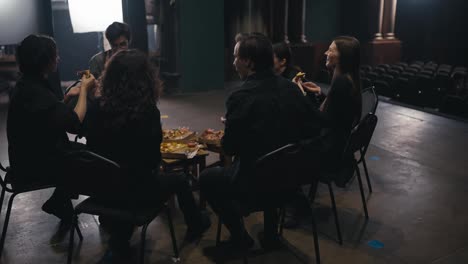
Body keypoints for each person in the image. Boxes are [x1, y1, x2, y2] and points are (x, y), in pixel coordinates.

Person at [84, 49, 210, 261]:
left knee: (125, 178)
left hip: (101, 191)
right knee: (179, 179)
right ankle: (196, 225)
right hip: (137, 193)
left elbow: (93, 149)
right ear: (145, 79)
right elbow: (152, 160)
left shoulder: (95, 108)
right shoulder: (147, 112)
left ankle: (119, 243)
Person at [199, 33, 319, 253]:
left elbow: (230, 147)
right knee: (273, 160)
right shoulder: (292, 89)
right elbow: (313, 129)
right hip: (291, 183)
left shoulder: (241, 97)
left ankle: (240, 238)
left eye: (236, 57)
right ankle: (271, 236)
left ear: (248, 61)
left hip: (253, 186)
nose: (233, 61)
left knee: (206, 178)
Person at [7, 34, 95, 224]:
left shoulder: (27, 84)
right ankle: (61, 201)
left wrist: (66, 97)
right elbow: (73, 123)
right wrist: (85, 91)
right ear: (44, 61)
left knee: (82, 152)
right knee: (91, 158)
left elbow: (47, 116)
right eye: (55, 55)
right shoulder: (34, 91)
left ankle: (61, 201)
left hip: (28, 156)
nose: (58, 58)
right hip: (32, 167)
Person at [284, 36, 363, 228]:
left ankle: (298, 206)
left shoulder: (342, 82)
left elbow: (324, 120)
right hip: (338, 145)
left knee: (285, 156)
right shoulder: (348, 79)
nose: (326, 53)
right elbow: (338, 111)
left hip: (330, 152)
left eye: (331, 50)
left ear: (343, 56)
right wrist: (321, 93)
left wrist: (300, 95)